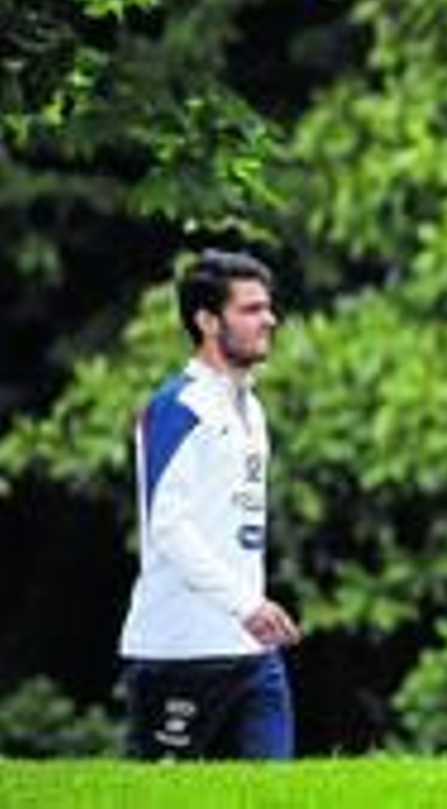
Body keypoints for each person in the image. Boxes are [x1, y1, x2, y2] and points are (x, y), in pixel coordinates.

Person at [118, 249, 301, 760]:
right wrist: (247, 605)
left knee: (274, 794)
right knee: (161, 794)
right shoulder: (178, 407)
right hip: (179, 651)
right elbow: (169, 528)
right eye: (251, 309)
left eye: (268, 307)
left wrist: (251, 614)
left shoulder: (253, 409)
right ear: (207, 321)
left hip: (252, 653)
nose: (269, 319)